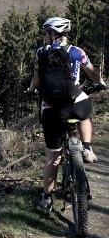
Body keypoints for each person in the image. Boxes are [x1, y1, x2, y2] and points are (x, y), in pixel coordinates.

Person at [28, 17, 106, 211]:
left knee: (53, 157)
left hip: (52, 110)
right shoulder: (77, 52)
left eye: (46, 33)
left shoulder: (41, 53)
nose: (44, 37)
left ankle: (46, 199)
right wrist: (101, 82)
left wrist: (31, 89)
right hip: (75, 104)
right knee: (85, 112)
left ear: (52, 34)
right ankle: (87, 148)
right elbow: (92, 72)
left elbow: (36, 81)